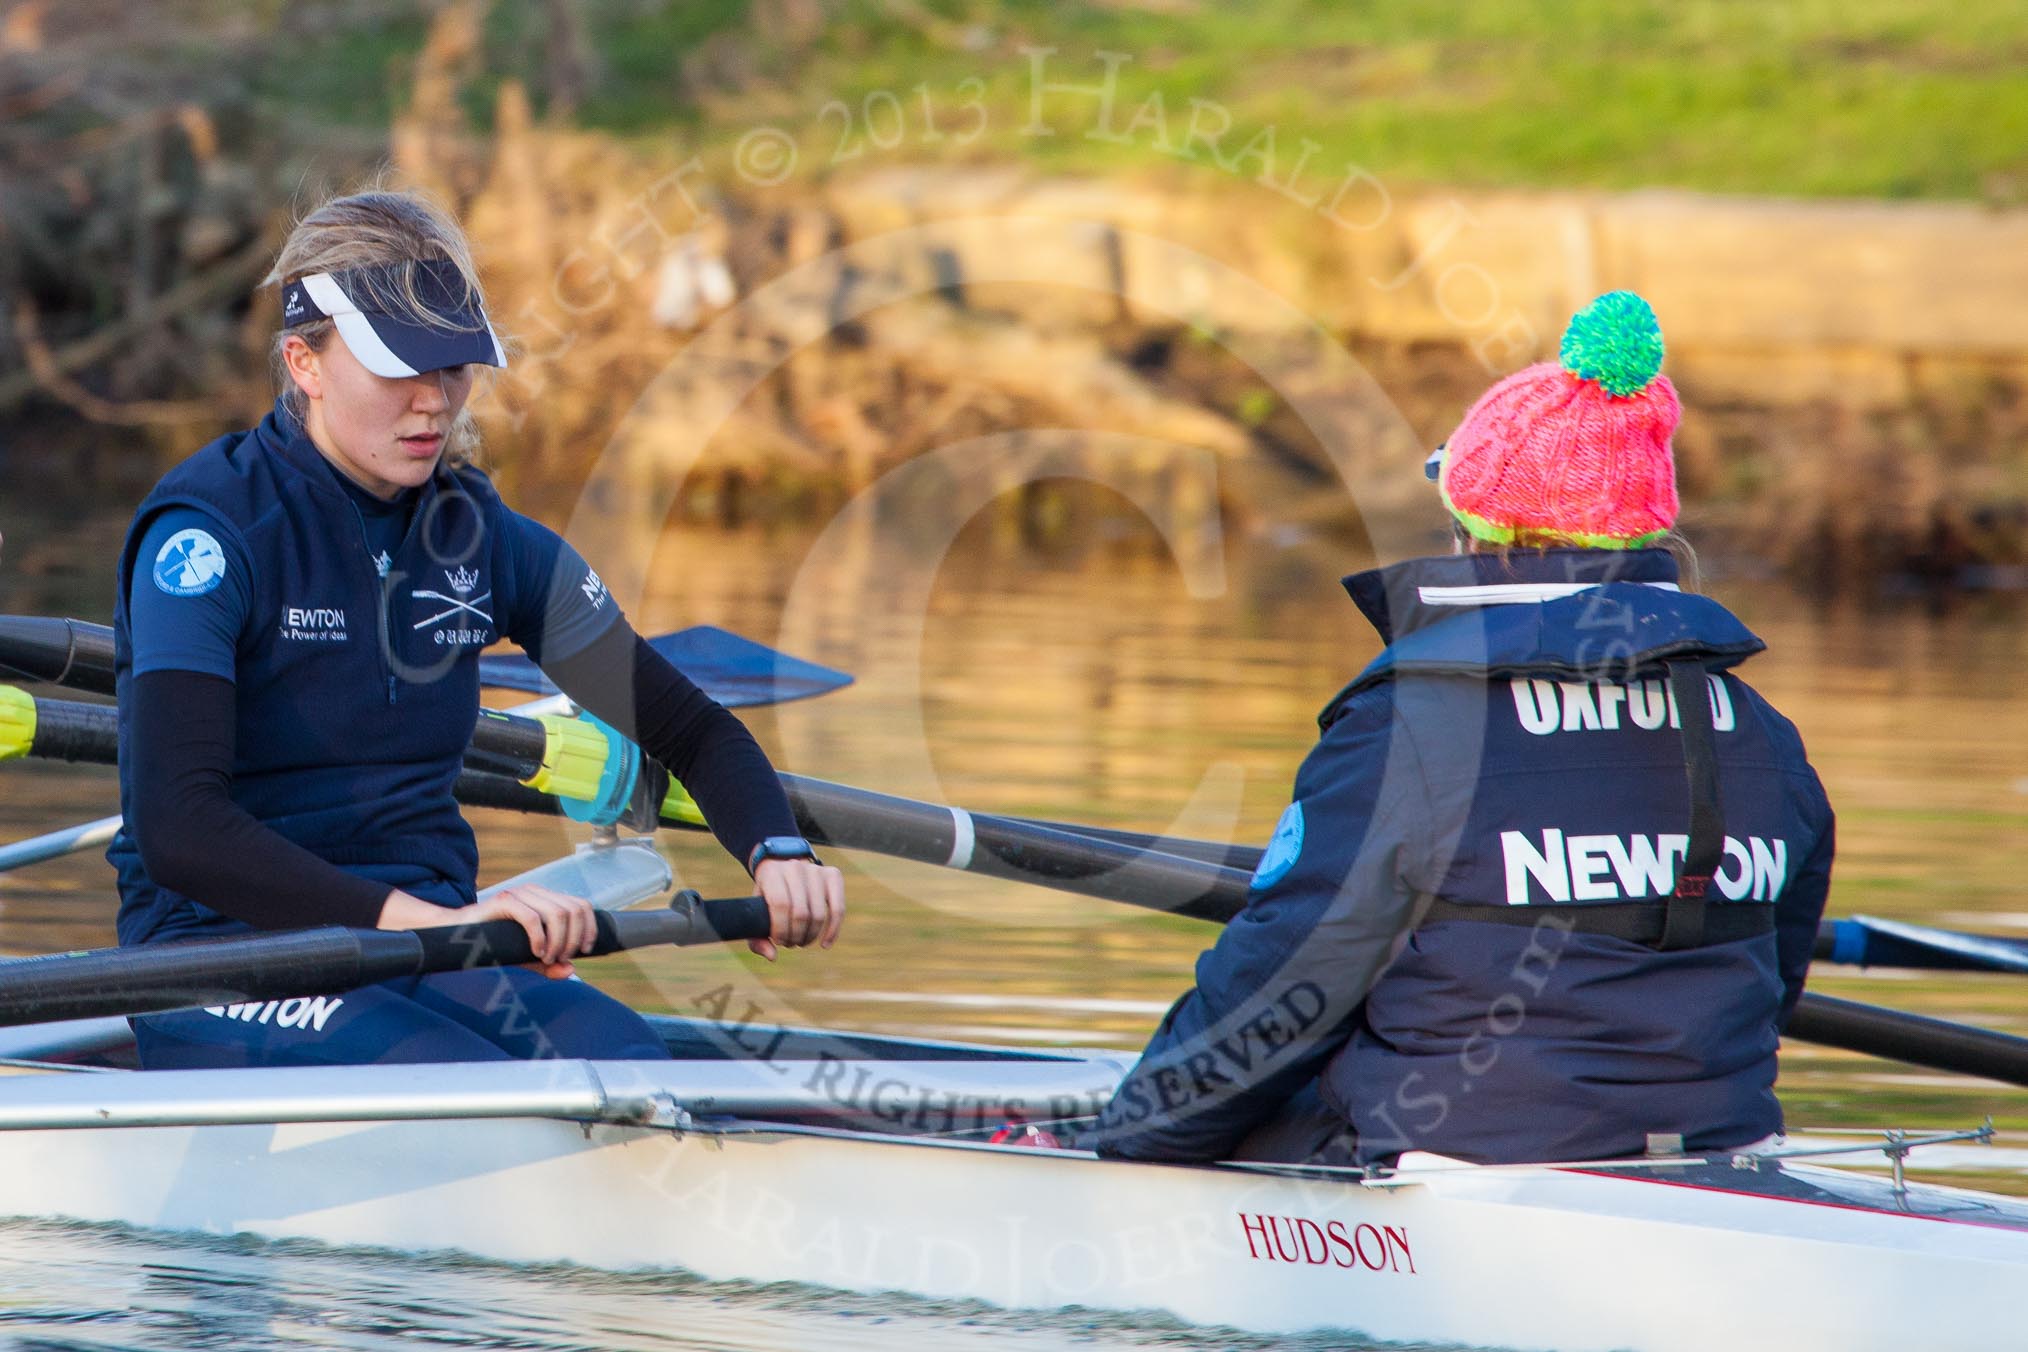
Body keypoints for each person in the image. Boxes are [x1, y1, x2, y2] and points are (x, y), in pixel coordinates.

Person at [109, 188, 845, 1069]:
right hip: (224, 951)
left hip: (429, 938)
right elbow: (180, 829)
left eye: (453, 368)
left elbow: (687, 728)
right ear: (304, 361)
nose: (432, 403)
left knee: (622, 1057)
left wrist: (778, 851)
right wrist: (441, 924)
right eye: (397, 369)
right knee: (457, 1077)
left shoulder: (485, 541)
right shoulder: (209, 535)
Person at [1094, 292, 1835, 1166]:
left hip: (1457, 1163)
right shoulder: (1761, 732)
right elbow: (1773, 986)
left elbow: (1284, 987)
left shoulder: (1414, 727)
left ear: (1476, 525)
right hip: (1718, 1150)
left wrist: (1129, 1141)